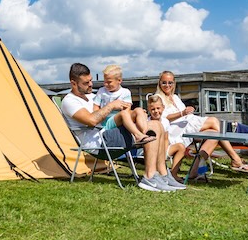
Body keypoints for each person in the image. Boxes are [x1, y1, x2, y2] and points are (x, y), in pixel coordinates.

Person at [61, 63, 185, 192]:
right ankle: (149, 177)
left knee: (157, 124)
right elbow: (91, 121)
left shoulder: (93, 96)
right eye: (86, 83)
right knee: (153, 126)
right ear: (73, 83)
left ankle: (162, 173)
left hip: (110, 132)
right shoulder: (70, 101)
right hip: (100, 142)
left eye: (91, 80)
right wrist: (112, 105)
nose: (91, 84)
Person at [155, 70, 248, 178]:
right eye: (164, 82)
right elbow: (161, 117)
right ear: (159, 83)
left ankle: (195, 171)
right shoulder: (158, 98)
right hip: (174, 130)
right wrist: (182, 113)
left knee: (214, 134)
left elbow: (184, 113)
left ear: (174, 83)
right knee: (213, 121)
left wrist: (187, 111)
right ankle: (236, 159)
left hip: (186, 123)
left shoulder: (175, 97)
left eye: (170, 82)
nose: (167, 85)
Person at [93, 64, 154, 146]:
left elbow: (127, 109)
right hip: (106, 123)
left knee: (139, 110)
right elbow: (95, 109)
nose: (106, 84)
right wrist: (106, 110)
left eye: (109, 82)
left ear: (119, 80)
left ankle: (145, 132)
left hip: (121, 120)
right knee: (123, 113)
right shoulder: (101, 91)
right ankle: (138, 135)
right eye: (105, 81)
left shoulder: (125, 92)